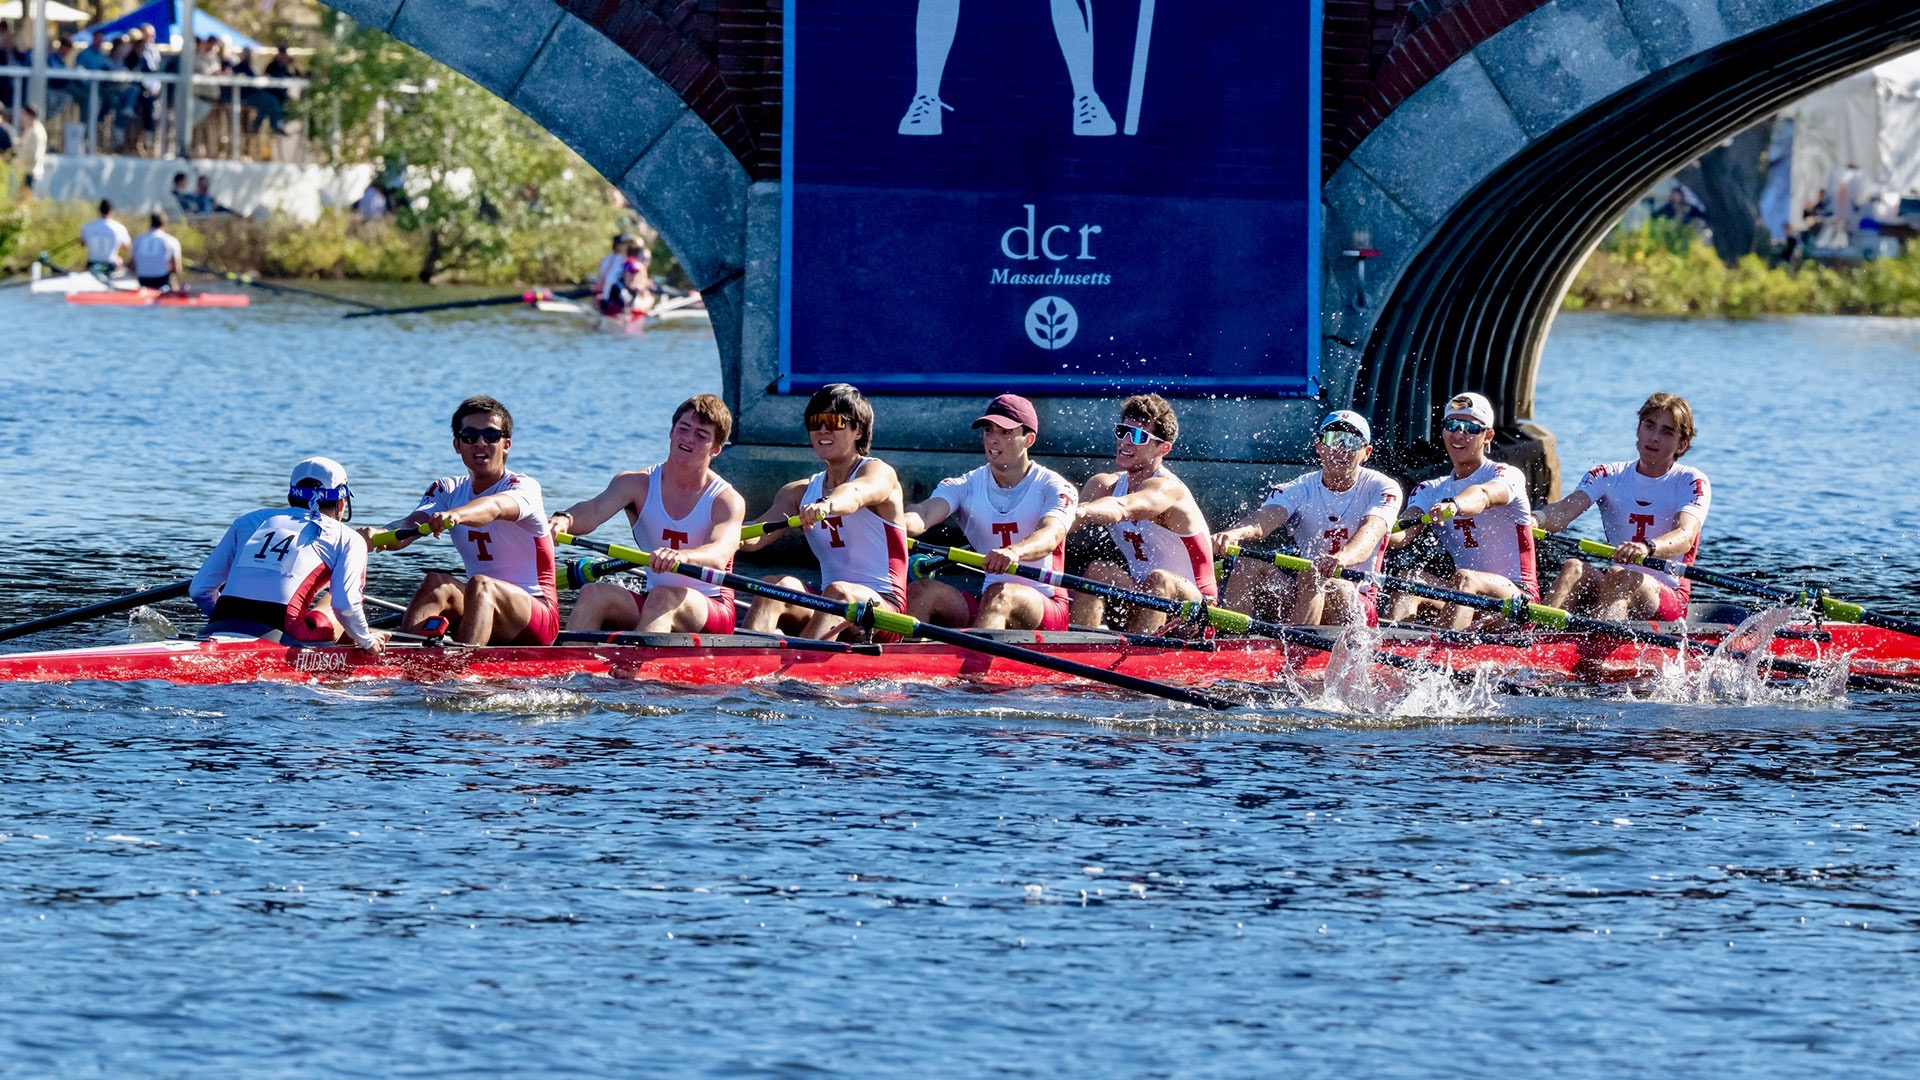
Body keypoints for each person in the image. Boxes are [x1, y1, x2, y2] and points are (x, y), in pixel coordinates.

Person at [549, 394, 747, 634]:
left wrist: (682, 557)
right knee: (594, 593)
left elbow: (719, 552)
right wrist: (563, 519)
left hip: (712, 607)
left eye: (701, 435)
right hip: (655, 600)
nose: (688, 439)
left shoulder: (726, 500)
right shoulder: (635, 484)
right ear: (671, 432)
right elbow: (592, 511)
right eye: (683, 428)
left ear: (715, 449)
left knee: (663, 596)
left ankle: (633, 670)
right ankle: (572, 666)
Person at [377, 396, 561, 645]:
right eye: (470, 436)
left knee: (480, 584)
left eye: (491, 436)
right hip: (480, 602)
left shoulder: (523, 487)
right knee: (437, 582)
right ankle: (402, 663)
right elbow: (408, 527)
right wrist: (377, 535)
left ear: (506, 445)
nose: (480, 443)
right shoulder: (446, 489)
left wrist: (458, 514)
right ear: (457, 444)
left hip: (538, 613)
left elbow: (494, 507)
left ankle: (462, 677)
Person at [739, 383, 909, 640]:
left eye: (833, 421)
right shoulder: (797, 493)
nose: (822, 430)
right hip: (829, 603)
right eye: (815, 421)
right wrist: (712, 535)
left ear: (858, 431)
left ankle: (797, 666)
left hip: (885, 611)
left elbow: (855, 494)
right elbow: (754, 538)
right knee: (774, 586)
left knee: (838, 593)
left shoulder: (878, 472)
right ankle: (744, 660)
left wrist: (826, 505)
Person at [901, 393, 1077, 630]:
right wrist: (894, 526)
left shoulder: (1053, 486)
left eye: (1005, 432)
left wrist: (1015, 551)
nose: (993, 439)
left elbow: (1051, 535)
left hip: (1046, 605)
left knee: (998, 595)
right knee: (921, 591)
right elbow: (923, 514)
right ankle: (908, 665)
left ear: (1029, 440)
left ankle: (972, 668)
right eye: (988, 430)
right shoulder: (965, 485)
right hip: (990, 601)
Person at [1211, 410, 1403, 627]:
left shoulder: (1382, 487)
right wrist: (1234, 533)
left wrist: (1343, 557)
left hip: (1356, 601)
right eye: (1333, 439)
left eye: (1350, 442)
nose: (1340, 449)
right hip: (1307, 592)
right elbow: (1263, 520)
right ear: (1319, 447)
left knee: (1319, 577)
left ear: (1366, 452)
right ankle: (1229, 645)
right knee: (1247, 565)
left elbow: (1371, 532)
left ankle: (1295, 652)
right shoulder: (1298, 488)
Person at [1536, 393, 1709, 622]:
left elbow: (1685, 536)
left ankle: (1596, 648)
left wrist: (1647, 548)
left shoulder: (1691, 481)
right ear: (1638, 430)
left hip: (1668, 594)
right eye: (1649, 426)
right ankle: (1537, 641)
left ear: (1682, 444)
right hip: (1618, 581)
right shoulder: (1608, 475)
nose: (1654, 437)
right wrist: (1535, 519)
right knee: (1573, 567)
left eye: (1667, 432)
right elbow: (1562, 512)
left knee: (1621, 576)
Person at [190, 457, 387, 653]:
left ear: (290, 497)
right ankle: (360, 644)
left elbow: (199, 589)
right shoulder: (349, 539)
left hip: (221, 623)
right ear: (342, 502)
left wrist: (230, 623)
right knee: (337, 605)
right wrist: (368, 641)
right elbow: (345, 605)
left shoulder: (248, 521)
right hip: (287, 633)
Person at [1386, 392, 1539, 630]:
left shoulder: (1506, 475)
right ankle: (1392, 651)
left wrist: (1455, 505)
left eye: (1470, 428)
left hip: (1516, 597)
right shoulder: (1429, 489)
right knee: (1409, 579)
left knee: (1466, 578)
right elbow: (1401, 534)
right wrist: (1372, 529)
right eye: (1452, 425)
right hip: (1465, 594)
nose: (1459, 434)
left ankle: (1440, 656)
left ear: (1488, 435)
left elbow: (1483, 496)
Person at [1069, 394, 1216, 634]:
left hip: (1197, 608)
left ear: (1163, 448)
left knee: (1159, 580)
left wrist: (1082, 511)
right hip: (1144, 594)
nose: (1125, 442)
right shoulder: (1103, 485)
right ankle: (1073, 647)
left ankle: (1137, 659)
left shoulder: (1169, 489)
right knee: (1099, 570)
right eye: (1122, 431)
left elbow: (1123, 507)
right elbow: (1059, 527)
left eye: (1138, 436)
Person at [130, 211, 183, 291]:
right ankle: (173, 294)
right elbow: (177, 269)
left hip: (143, 281)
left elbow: (133, 267)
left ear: (150, 223)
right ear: (165, 224)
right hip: (162, 282)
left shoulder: (138, 240)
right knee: (173, 278)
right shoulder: (172, 241)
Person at [80, 199, 132, 274]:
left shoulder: (87, 227)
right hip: (110, 265)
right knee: (120, 261)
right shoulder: (119, 228)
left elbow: (83, 244)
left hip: (92, 264)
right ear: (112, 211)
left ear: (99, 211)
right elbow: (127, 247)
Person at [14, 105, 46, 200]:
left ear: (30, 115)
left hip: (30, 171)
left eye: (23, 115)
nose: (21, 118)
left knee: (26, 200)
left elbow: (34, 155)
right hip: (25, 170)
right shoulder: (30, 129)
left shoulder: (37, 131)